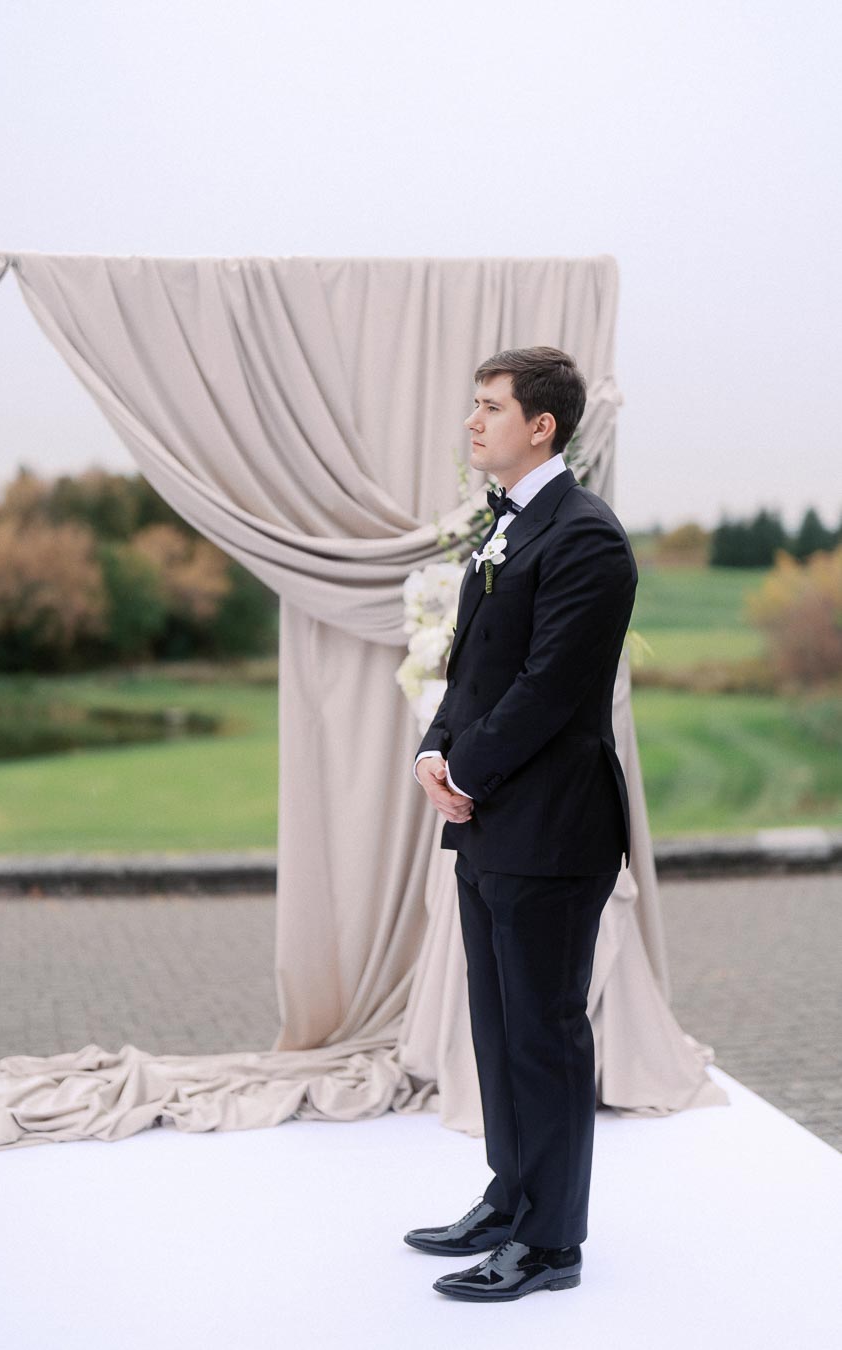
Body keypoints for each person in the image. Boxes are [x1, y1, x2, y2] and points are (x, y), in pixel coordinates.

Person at [407, 345, 638, 1302]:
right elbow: (471, 668)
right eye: (474, 405)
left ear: (541, 426)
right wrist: (434, 750)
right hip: (490, 822)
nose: (473, 422)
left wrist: (466, 767)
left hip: (554, 827)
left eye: (490, 407)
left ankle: (549, 1246)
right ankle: (510, 1200)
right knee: (498, 1026)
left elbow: (549, 686)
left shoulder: (586, 538)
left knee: (544, 1034)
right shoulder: (505, 527)